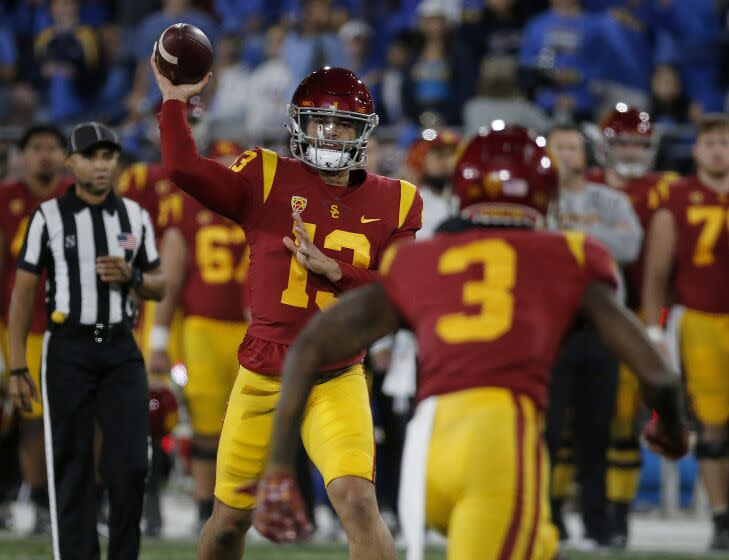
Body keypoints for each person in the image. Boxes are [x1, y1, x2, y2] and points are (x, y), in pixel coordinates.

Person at [251, 124, 689, 560]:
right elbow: (657, 374)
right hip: (499, 442)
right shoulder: (571, 254)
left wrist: (277, 466)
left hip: (428, 446)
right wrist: (671, 426)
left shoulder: (421, 259)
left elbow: (311, 344)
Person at [152, 59, 422, 560]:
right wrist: (174, 100)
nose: (331, 132)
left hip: (336, 375)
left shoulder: (398, 199)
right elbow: (182, 169)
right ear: (299, 123)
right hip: (263, 373)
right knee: (230, 522)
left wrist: (337, 270)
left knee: (358, 501)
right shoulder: (266, 175)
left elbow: (404, 293)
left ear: (364, 132)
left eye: (344, 123)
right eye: (321, 120)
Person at [7, 122, 165, 560]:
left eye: (109, 156)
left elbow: (160, 283)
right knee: (72, 463)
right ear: (71, 162)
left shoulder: (134, 216)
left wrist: (132, 276)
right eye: (91, 156)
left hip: (120, 348)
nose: (101, 164)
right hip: (68, 348)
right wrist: (17, 365)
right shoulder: (48, 216)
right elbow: (23, 291)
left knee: (133, 464)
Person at [644, 114, 729, 550]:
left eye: (724, 143)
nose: (717, 150)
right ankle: (722, 518)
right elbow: (657, 273)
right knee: (712, 426)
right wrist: (654, 331)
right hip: (700, 322)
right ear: (696, 150)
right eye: (709, 143)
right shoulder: (676, 197)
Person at [585, 105, 679, 547]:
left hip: (644, 309)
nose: (629, 151)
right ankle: (577, 509)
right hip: (588, 311)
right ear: (605, 145)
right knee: (575, 417)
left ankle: (617, 515)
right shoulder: (585, 185)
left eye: (637, 144)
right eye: (621, 142)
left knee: (625, 415)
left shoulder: (668, 189)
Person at [545, 123, 642, 547]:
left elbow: (630, 246)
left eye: (572, 147)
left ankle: (600, 527)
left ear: (586, 154)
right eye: (557, 147)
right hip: (550, 328)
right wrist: (590, 242)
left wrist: (565, 238)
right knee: (547, 432)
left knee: (596, 431)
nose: (566, 154)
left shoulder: (611, 199)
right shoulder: (537, 200)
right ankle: (547, 521)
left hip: (600, 329)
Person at [147, 140, 249, 533]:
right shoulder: (190, 207)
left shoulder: (263, 207)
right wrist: (158, 339)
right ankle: (206, 509)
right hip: (202, 326)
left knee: (251, 423)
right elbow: (171, 279)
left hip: (252, 328)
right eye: (219, 162)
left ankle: (243, 507)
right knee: (206, 423)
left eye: (232, 162)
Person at [0, 124, 69, 534]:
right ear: (23, 154)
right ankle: (37, 503)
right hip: (17, 326)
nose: (44, 154)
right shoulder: (6, 199)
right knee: (25, 419)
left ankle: (76, 501)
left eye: (52, 146)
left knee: (69, 419)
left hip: (65, 324)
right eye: (37, 147)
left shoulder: (76, 198)